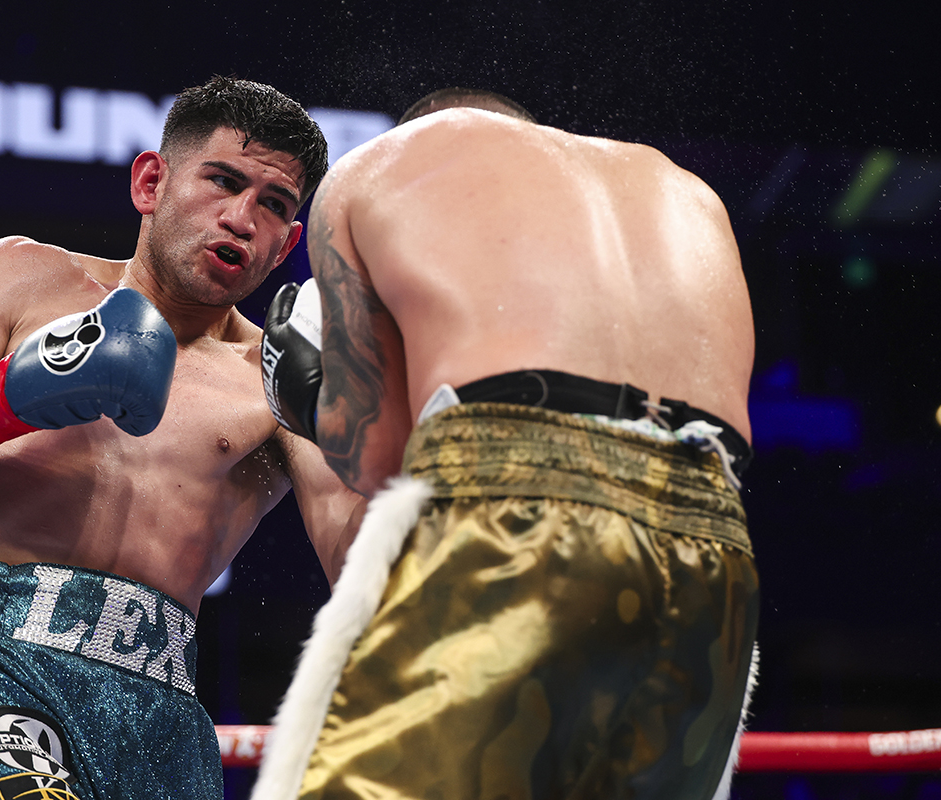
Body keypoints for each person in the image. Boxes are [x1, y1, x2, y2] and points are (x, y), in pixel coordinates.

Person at [0, 76, 363, 800]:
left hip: (163, 725)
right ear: (150, 182)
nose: (241, 218)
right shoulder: (25, 282)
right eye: (223, 182)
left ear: (289, 243)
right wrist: (11, 396)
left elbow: (357, 567)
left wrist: (351, 419)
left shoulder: (276, 378)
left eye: (273, 205)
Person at [257, 87, 760, 800]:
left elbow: (378, 461)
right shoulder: (685, 191)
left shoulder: (378, 170)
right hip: (714, 545)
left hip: (519, 496)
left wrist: (306, 396)